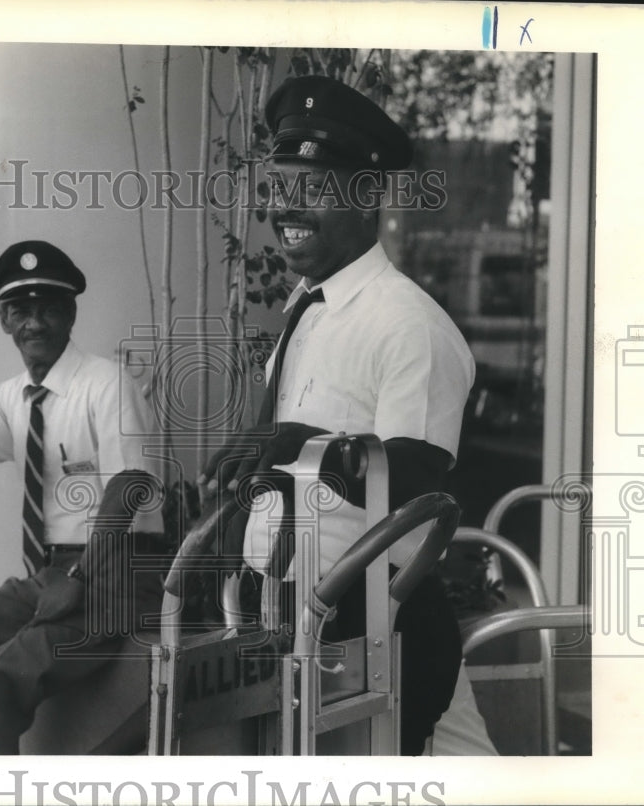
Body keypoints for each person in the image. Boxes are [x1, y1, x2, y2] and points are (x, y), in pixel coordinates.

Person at [200, 75, 487, 755]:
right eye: (280, 186)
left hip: (375, 626)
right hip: (286, 618)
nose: (287, 206)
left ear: (368, 200)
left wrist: (311, 443)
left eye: (316, 187)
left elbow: (415, 482)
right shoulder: (309, 310)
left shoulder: (407, 324)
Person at [0, 239, 169, 755]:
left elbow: (131, 487)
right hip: (52, 578)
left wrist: (81, 577)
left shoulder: (108, 385)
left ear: (70, 313)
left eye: (47, 309)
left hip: (118, 579)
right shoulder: (13, 397)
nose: (33, 324)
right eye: (20, 311)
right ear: (3, 320)